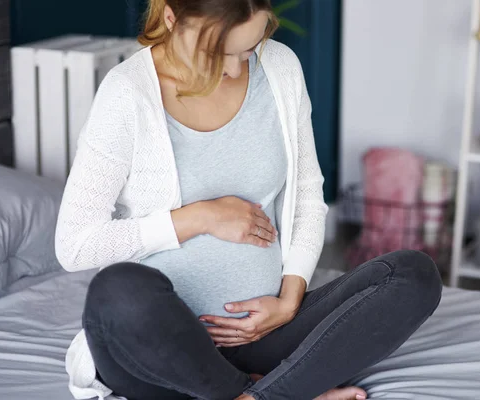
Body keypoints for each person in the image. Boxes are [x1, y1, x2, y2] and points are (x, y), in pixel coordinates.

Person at [55, 1, 443, 399]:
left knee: (412, 274)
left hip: (266, 337)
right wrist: (199, 217)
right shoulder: (127, 92)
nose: (236, 68)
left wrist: (290, 299)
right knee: (117, 291)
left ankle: (254, 394)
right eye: (218, 53)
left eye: (246, 49)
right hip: (160, 356)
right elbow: (75, 245)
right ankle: (266, 392)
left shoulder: (279, 67)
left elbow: (309, 195)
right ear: (172, 18)